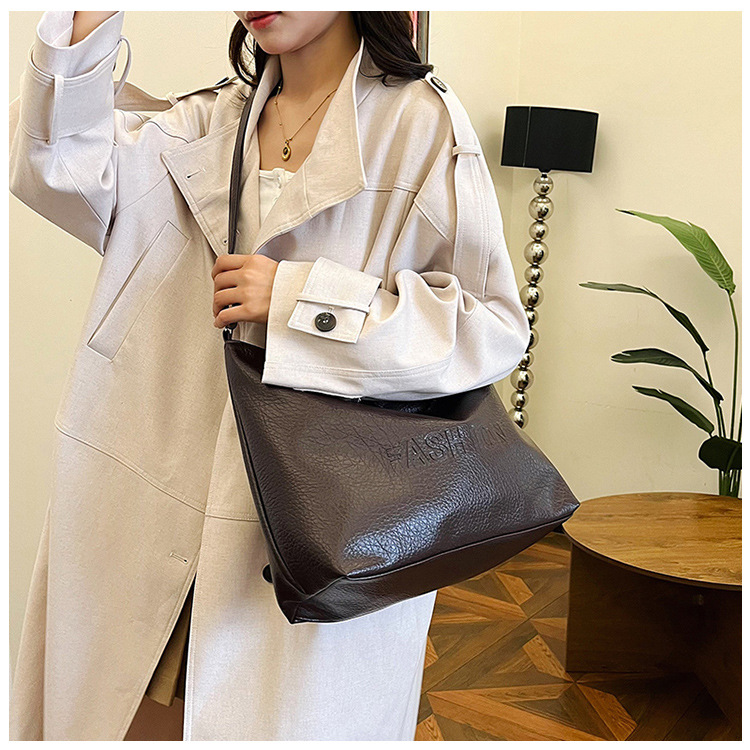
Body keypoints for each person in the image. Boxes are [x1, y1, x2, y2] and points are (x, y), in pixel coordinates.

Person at [9, 10, 531, 741]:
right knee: (120, 713)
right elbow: (55, 164)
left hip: (312, 531)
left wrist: (297, 301)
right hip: (148, 498)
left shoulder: (421, 126)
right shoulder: (206, 122)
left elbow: (489, 326)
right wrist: (89, 20)